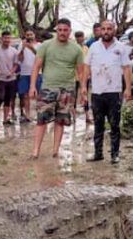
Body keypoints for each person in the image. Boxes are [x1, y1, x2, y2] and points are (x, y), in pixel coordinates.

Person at [29, 18, 85, 158]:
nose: (62, 33)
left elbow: (81, 72)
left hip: (67, 90)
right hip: (48, 88)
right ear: (56, 31)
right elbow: (36, 67)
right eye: (60, 30)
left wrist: (83, 89)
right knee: (41, 120)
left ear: (69, 31)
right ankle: (35, 152)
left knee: (60, 121)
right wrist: (32, 86)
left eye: (65, 30)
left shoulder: (76, 49)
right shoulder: (46, 46)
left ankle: (55, 151)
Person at [84, 21, 132, 164]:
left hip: (114, 92)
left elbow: (126, 69)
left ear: (114, 30)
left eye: (109, 29)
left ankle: (114, 154)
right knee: (98, 124)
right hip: (97, 92)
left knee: (114, 125)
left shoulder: (121, 48)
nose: (106, 31)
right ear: (100, 31)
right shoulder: (93, 46)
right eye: (103, 29)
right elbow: (86, 67)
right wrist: (83, 87)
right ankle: (98, 153)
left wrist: (128, 88)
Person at [0, 31, 19, 126]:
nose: (7, 40)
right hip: (0, 79)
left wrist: (11, 72)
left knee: (8, 98)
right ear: (1, 39)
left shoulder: (14, 51)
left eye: (8, 38)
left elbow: (16, 64)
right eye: (5, 38)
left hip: (11, 79)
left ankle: (6, 119)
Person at [16, 29, 41, 123]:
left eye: (31, 34)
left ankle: (40, 114)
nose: (29, 36)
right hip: (24, 73)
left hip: (37, 73)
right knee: (25, 95)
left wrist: (31, 48)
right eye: (27, 34)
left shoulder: (39, 45)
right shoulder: (21, 45)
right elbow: (19, 59)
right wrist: (22, 48)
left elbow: (40, 57)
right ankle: (27, 115)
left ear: (34, 35)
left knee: (38, 95)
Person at [74, 30, 92, 123]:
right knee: (74, 96)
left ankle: (87, 116)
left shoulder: (86, 48)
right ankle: (73, 116)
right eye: (78, 37)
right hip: (74, 76)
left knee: (85, 95)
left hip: (85, 76)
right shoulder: (73, 47)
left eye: (81, 36)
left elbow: (89, 61)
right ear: (76, 38)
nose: (80, 38)